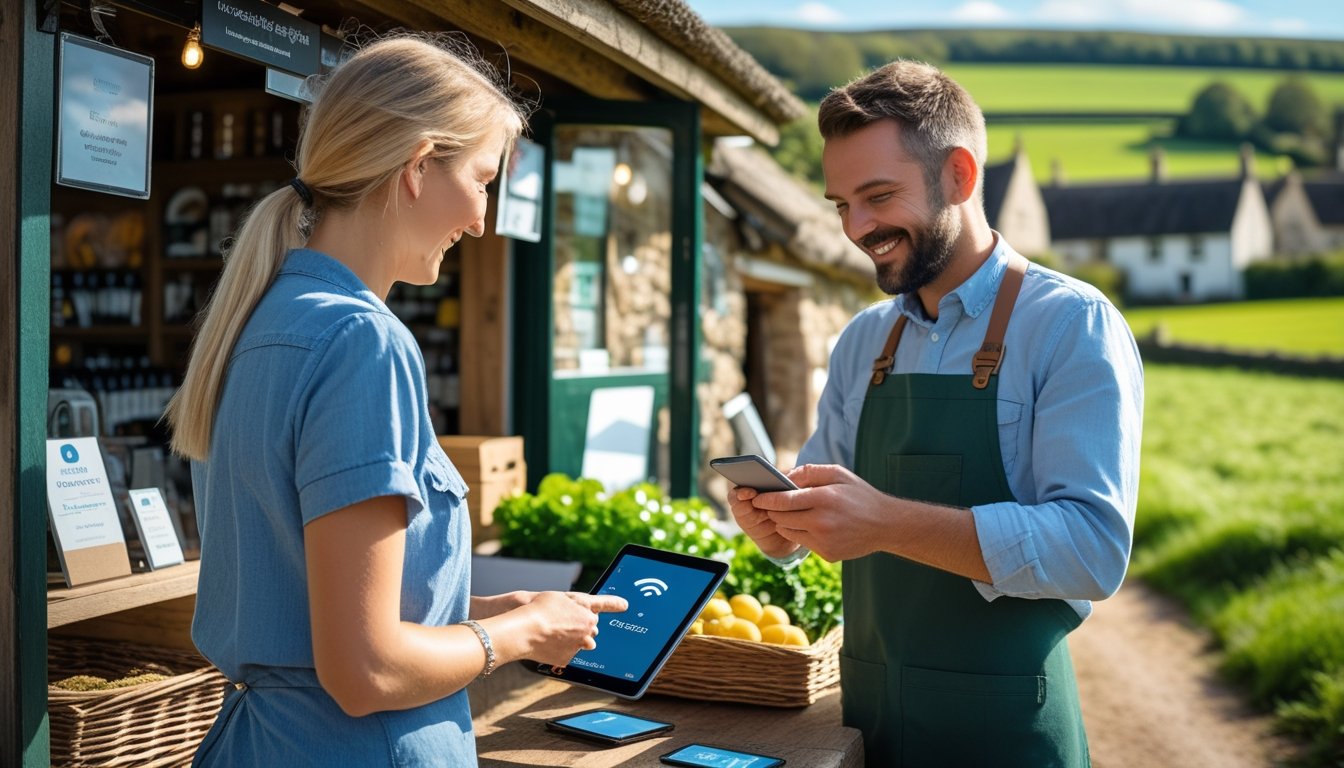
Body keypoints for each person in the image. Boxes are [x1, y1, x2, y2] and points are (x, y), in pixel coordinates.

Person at [165, 35, 627, 766]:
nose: (480, 219)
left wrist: (477, 612)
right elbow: (366, 671)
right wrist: (520, 635)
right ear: (416, 168)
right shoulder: (361, 341)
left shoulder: (264, 320)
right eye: (480, 180)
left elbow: (310, 608)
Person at [729, 60, 1143, 767]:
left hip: (1004, 734)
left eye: (878, 196)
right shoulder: (864, 340)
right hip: (869, 724)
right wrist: (778, 523)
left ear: (959, 175)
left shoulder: (1071, 324)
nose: (857, 228)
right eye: (840, 205)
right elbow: (821, 507)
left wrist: (884, 521)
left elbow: (1093, 550)